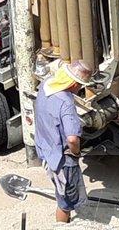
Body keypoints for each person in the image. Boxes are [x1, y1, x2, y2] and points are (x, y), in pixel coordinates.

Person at [35, 60, 93, 223]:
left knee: (61, 192)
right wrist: (76, 152)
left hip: (46, 149)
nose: (80, 89)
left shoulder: (46, 84)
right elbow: (72, 139)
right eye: (80, 85)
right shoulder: (66, 103)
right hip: (63, 160)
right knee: (65, 202)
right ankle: (62, 224)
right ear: (74, 83)